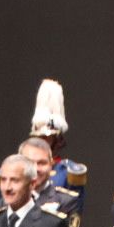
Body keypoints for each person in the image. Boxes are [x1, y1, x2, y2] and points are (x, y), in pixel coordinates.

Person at [29, 78, 88, 216]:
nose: (41, 142)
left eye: (46, 137)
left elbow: (72, 216)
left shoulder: (68, 172)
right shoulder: (23, 168)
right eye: (38, 137)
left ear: (57, 139)